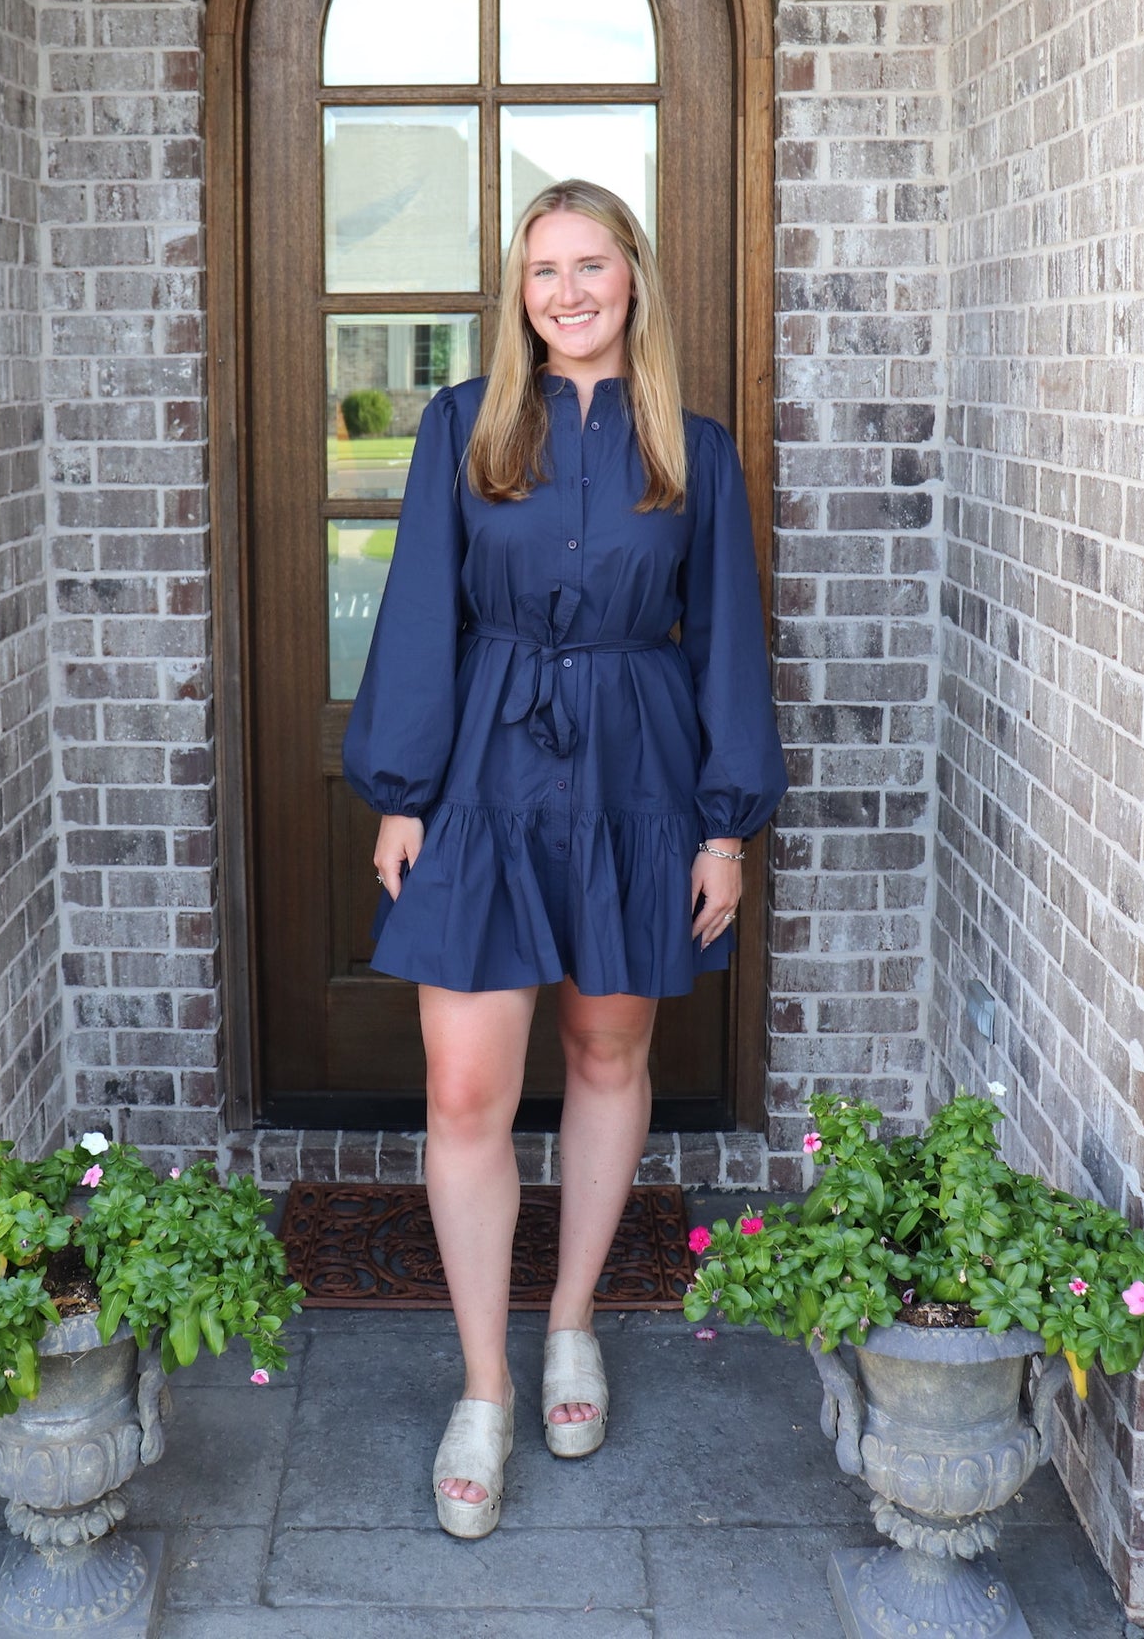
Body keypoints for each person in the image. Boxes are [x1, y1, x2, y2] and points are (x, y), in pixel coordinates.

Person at [342, 180, 787, 1539]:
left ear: (633, 279)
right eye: (543, 269)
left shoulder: (690, 450)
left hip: (636, 775)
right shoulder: (462, 423)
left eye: (591, 264)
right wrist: (401, 790)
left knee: (607, 1052)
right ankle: (482, 1386)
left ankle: (573, 1326)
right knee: (465, 1081)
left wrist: (725, 821)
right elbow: (420, 604)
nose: (568, 289)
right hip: (484, 765)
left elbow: (721, 639)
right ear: (519, 290)